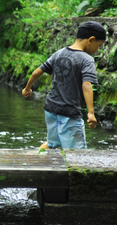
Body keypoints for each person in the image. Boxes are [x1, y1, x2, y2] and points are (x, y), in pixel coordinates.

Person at [22, 21, 107, 150]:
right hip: (69, 112)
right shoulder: (86, 59)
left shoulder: (59, 53)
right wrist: (90, 112)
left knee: (53, 145)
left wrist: (27, 89)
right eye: (99, 45)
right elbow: (86, 85)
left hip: (50, 109)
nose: (98, 50)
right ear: (91, 40)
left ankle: (37, 157)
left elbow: (37, 72)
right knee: (77, 153)